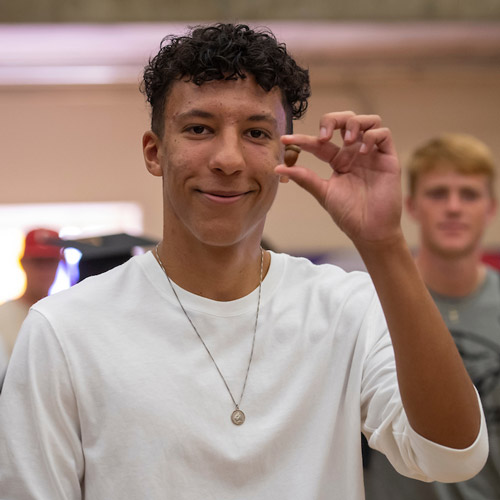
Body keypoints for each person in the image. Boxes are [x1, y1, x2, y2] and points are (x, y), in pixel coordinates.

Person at [0, 24, 488, 499]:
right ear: (155, 153)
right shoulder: (65, 331)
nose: (228, 159)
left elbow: (451, 457)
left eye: (256, 132)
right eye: (198, 129)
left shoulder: (345, 308)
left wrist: (383, 243)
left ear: (287, 157)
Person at [363, 133, 499, 499]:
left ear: (491, 207)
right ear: (411, 205)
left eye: (469, 194)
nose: (453, 207)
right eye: (438, 193)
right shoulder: (370, 302)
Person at [0, 228, 61, 359]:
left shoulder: (63, 315)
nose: (44, 271)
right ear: (23, 263)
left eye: (50, 262)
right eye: (38, 262)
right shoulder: (3, 316)